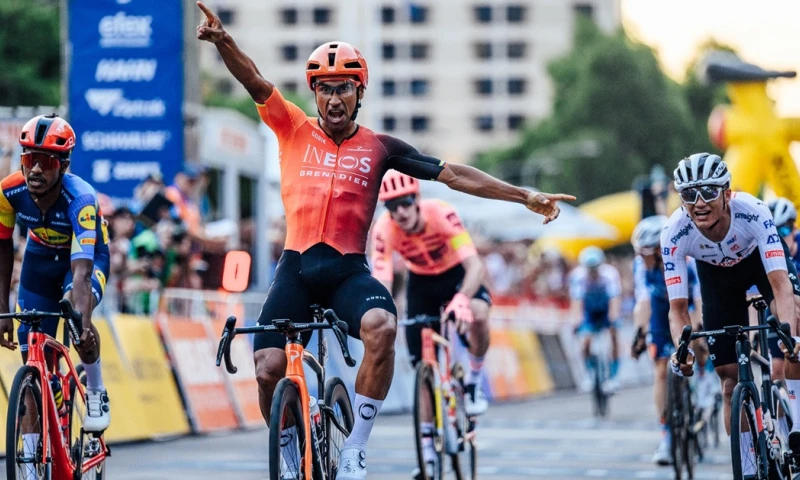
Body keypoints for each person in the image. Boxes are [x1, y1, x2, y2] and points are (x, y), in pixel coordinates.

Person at [195, 3, 575, 479]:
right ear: (315, 93)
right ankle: (289, 453)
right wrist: (224, 41)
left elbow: (454, 175)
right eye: (327, 89)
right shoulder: (291, 126)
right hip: (295, 267)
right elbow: (254, 80)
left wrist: (523, 195)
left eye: (345, 89)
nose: (335, 100)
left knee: (383, 326)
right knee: (268, 367)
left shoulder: (379, 147)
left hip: (347, 272)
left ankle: (355, 447)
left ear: (360, 92)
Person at [666, 153, 800, 476]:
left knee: (794, 328)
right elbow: (678, 309)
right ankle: (749, 466)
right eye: (688, 194)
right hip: (716, 280)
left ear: (727, 193)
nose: (698, 202)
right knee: (729, 382)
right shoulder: (675, 231)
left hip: (759, 264)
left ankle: (797, 426)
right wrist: (681, 351)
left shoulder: (753, 213)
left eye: (708, 192)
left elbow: (781, 286)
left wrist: (791, 337)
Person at [369, 171, 491, 477]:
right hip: (420, 283)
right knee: (422, 370)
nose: (400, 211)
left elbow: (475, 266)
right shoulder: (385, 229)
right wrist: (381, 313)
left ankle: (473, 383)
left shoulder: (442, 214)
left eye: (406, 202)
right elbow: (381, 281)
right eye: (392, 206)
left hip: (456, 276)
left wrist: (462, 298)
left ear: (417, 200)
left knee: (478, 312)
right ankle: (427, 457)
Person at [0, 114, 112, 435]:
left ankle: (95, 390)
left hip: (84, 259)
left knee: (77, 315)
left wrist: (84, 323)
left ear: (63, 166)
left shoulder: (81, 199)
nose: (35, 169)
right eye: (29, 159)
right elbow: (2, 248)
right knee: (31, 364)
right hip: (39, 258)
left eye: (45, 162)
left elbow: (81, 271)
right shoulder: (7, 193)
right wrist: (2, 310)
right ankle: (33, 459)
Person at [630, 215, 712, 465]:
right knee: (661, 369)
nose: (641, 258)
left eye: (644, 253)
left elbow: (699, 299)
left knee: (698, 340)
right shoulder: (641, 266)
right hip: (660, 311)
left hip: (687, 306)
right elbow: (643, 301)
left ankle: (702, 379)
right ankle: (666, 435)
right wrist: (640, 333)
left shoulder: (688, 262)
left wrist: (699, 328)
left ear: (658, 249)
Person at [569, 246, 621, 393]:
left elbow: (614, 300)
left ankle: (613, 376)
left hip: (605, 307)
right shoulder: (577, 277)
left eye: (595, 268)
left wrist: (613, 318)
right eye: (589, 268)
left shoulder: (610, 274)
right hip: (589, 310)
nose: (592, 271)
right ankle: (590, 374)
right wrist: (576, 321)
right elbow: (577, 303)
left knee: (613, 334)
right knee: (585, 341)